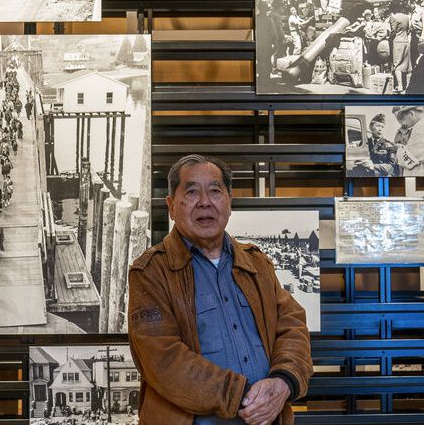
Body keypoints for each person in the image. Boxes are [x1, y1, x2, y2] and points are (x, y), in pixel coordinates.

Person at [128, 154, 312, 424]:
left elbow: (292, 325)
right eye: (191, 192)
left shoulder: (256, 264)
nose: (205, 202)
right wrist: (244, 396)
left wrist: (283, 383)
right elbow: (163, 359)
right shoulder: (151, 272)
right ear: (171, 205)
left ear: (229, 201)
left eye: (215, 190)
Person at [393, 106, 424, 176]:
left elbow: (408, 159)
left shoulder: (421, 128)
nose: (404, 122)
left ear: (412, 114)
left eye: (404, 118)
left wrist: (399, 149)